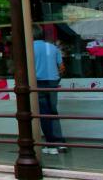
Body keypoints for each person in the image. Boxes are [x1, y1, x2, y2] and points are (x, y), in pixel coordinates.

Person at [33, 25, 67, 154]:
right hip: (53, 81)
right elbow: (62, 67)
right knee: (53, 111)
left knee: (43, 113)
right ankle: (60, 143)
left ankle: (51, 144)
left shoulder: (29, 49)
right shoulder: (53, 48)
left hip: (38, 82)